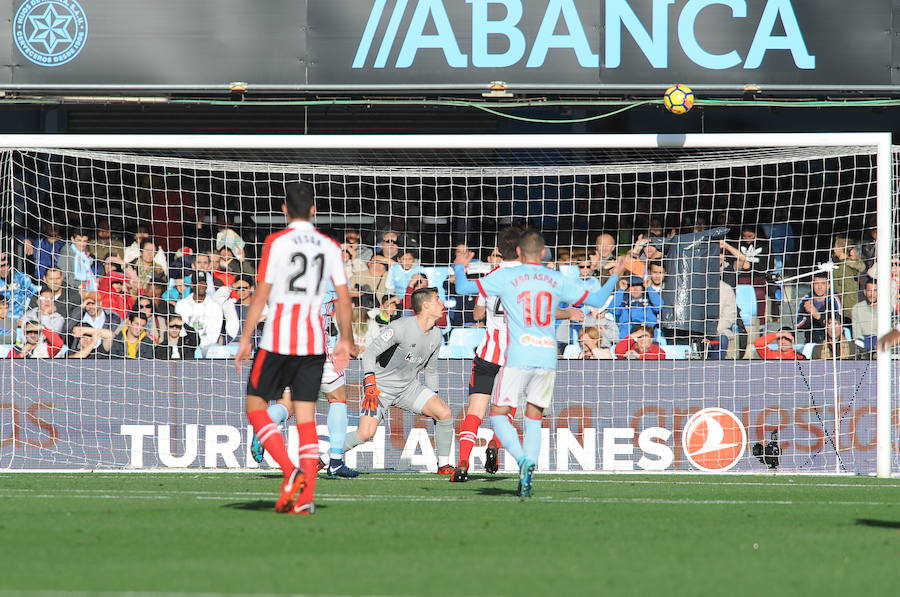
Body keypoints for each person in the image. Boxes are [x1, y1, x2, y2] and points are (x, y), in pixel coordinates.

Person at [453, 229, 623, 497]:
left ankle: (477, 459)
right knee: (531, 417)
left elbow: (466, 294)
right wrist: (616, 273)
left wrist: (459, 266)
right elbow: (598, 300)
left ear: (515, 251)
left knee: (487, 412)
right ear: (543, 253)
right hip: (539, 357)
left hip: (495, 352)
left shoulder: (500, 277)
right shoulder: (552, 278)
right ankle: (523, 462)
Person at [235, 181, 353, 516]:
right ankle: (306, 499)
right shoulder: (329, 245)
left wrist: (245, 338)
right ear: (314, 211)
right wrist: (346, 339)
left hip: (277, 342)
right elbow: (344, 299)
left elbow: (261, 293)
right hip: (314, 345)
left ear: (284, 210)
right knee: (306, 419)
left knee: (256, 406)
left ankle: (291, 473)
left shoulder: (276, 242)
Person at [338, 287, 455, 477]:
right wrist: (370, 382)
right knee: (365, 433)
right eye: (437, 300)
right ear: (425, 305)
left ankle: (444, 465)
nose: (442, 303)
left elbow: (431, 370)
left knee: (444, 412)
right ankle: (323, 458)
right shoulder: (400, 327)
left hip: (408, 388)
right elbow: (369, 354)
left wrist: (434, 396)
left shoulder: (436, 335)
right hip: (379, 389)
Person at [175, 277, 233, 352]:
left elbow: (213, 335)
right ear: (192, 285)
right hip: (185, 346)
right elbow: (182, 330)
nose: (201, 286)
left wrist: (201, 348)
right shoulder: (181, 304)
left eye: (204, 283)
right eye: (198, 283)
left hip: (208, 350)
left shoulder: (215, 306)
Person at [795, 272, 842, 343]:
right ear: (812, 285)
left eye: (823, 283)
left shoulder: (834, 298)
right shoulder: (806, 299)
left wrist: (818, 316)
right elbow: (797, 326)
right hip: (811, 341)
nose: (819, 287)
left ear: (828, 285)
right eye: (816, 283)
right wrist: (808, 314)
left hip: (831, 341)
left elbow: (837, 324)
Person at [0, 252, 41, 321]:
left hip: (21, 318)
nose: (3, 268)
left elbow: (34, 292)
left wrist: (27, 312)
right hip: (3, 319)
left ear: (10, 265)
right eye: (0, 266)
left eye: (5, 265)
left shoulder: (22, 278)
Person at [851, 280, 878, 349]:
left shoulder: (888, 308)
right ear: (865, 292)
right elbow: (857, 335)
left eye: (875, 290)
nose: (872, 294)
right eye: (869, 290)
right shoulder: (857, 308)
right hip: (864, 346)